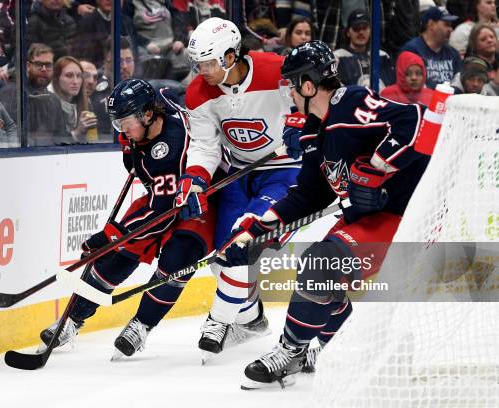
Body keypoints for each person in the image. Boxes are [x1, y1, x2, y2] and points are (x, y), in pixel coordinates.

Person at [218, 40, 429, 389]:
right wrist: (257, 229)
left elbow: (416, 120)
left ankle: (292, 350)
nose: (287, 93)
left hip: (404, 214)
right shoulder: (313, 130)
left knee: (321, 264)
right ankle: (342, 348)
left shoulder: (353, 104)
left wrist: (376, 166)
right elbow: (310, 194)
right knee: (317, 271)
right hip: (366, 216)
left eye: (290, 84)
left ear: (308, 83)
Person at [38, 79, 217, 359]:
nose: (122, 130)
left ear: (148, 114)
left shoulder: (172, 144)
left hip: (197, 204)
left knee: (177, 259)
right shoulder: (144, 125)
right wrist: (116, 238)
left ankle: (142, 325)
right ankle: (71, 320)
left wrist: (111, 234)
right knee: (116, 256)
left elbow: (162, 214)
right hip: (162, 195)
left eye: (126, 122)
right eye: (117, 122)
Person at [176, 17, 302, 359]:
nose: (201, 70)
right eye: (197, 63)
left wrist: (305, 123)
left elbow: (319, 96)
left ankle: (218, 320)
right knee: (222, 260)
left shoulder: (277, 70)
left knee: (240, 242)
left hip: (284, 172)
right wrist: (195, 178)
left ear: (230, 57)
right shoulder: (198, 93)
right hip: (237, 174)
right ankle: (252, 319)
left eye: (207, 62)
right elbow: (204, 146)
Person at [401, 6, 462, 89]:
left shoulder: (453, 53)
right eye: (447, 24)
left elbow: (458, 85)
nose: (451, 29)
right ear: (431, 25)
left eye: (451, 25)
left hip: (448, 100)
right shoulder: (411, 50)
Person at [333, 9, 395, 89]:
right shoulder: (337, 57)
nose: (361, 32)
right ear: (348, 32)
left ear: (370, 31)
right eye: (356, 28)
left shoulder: (382, 56)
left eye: (365, 28)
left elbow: (390, 86)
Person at [92, 37, 137, 141]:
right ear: (105, 62)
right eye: (119, 61)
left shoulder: (141, 90)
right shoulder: (94, 89)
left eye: (129, 60)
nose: (125, 66)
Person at [48, 56, 95, 143]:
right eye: (69, 76)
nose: (75, 81)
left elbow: (93, 140)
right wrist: (77, 132)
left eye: (79, 76)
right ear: (57, 78)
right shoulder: (48, 103)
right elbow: (49, 143)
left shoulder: (86, 103)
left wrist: (90, 131)